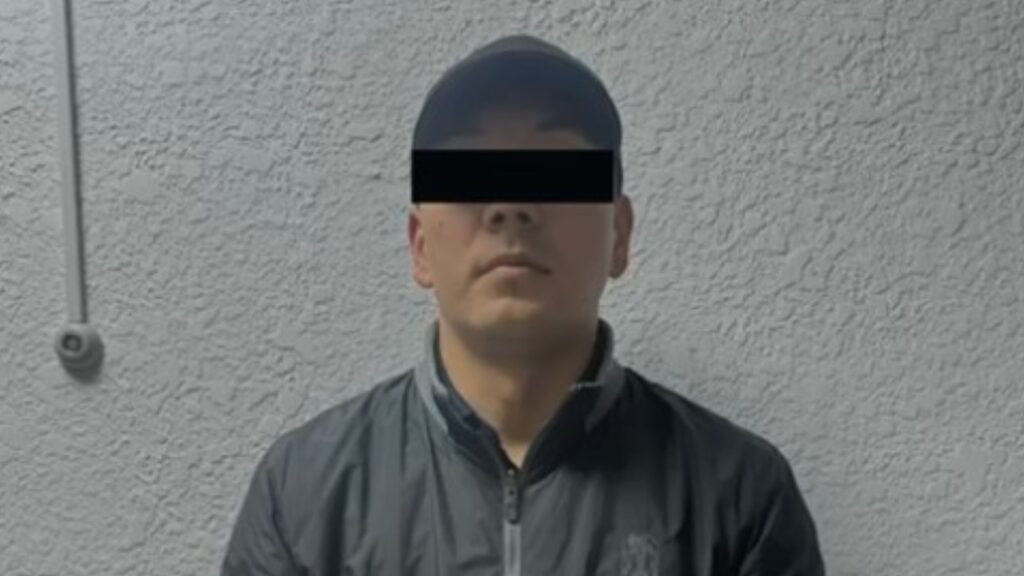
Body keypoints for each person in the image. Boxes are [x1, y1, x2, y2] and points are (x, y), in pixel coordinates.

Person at [221, 34, 826, 576]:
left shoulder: (741, 498)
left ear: (619, 234)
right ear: (420, 246)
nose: (511, 205)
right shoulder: (301, 496)